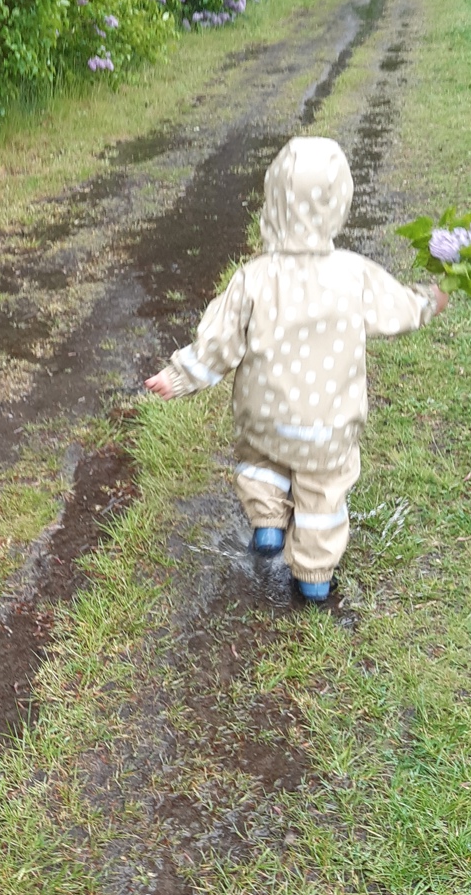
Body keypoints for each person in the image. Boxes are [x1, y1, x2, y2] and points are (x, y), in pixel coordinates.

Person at [145, 136, 447, 601]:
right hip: (329, 427)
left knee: (259, 456)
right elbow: (399, 309)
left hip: (266, 417)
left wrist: (180, 376)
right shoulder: (354, 273)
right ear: (340, 204)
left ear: (273, 203)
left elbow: (218, 342)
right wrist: (429, 300)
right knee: (324, 492)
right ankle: (313, 577)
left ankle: (266, 522)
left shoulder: (254, 276)